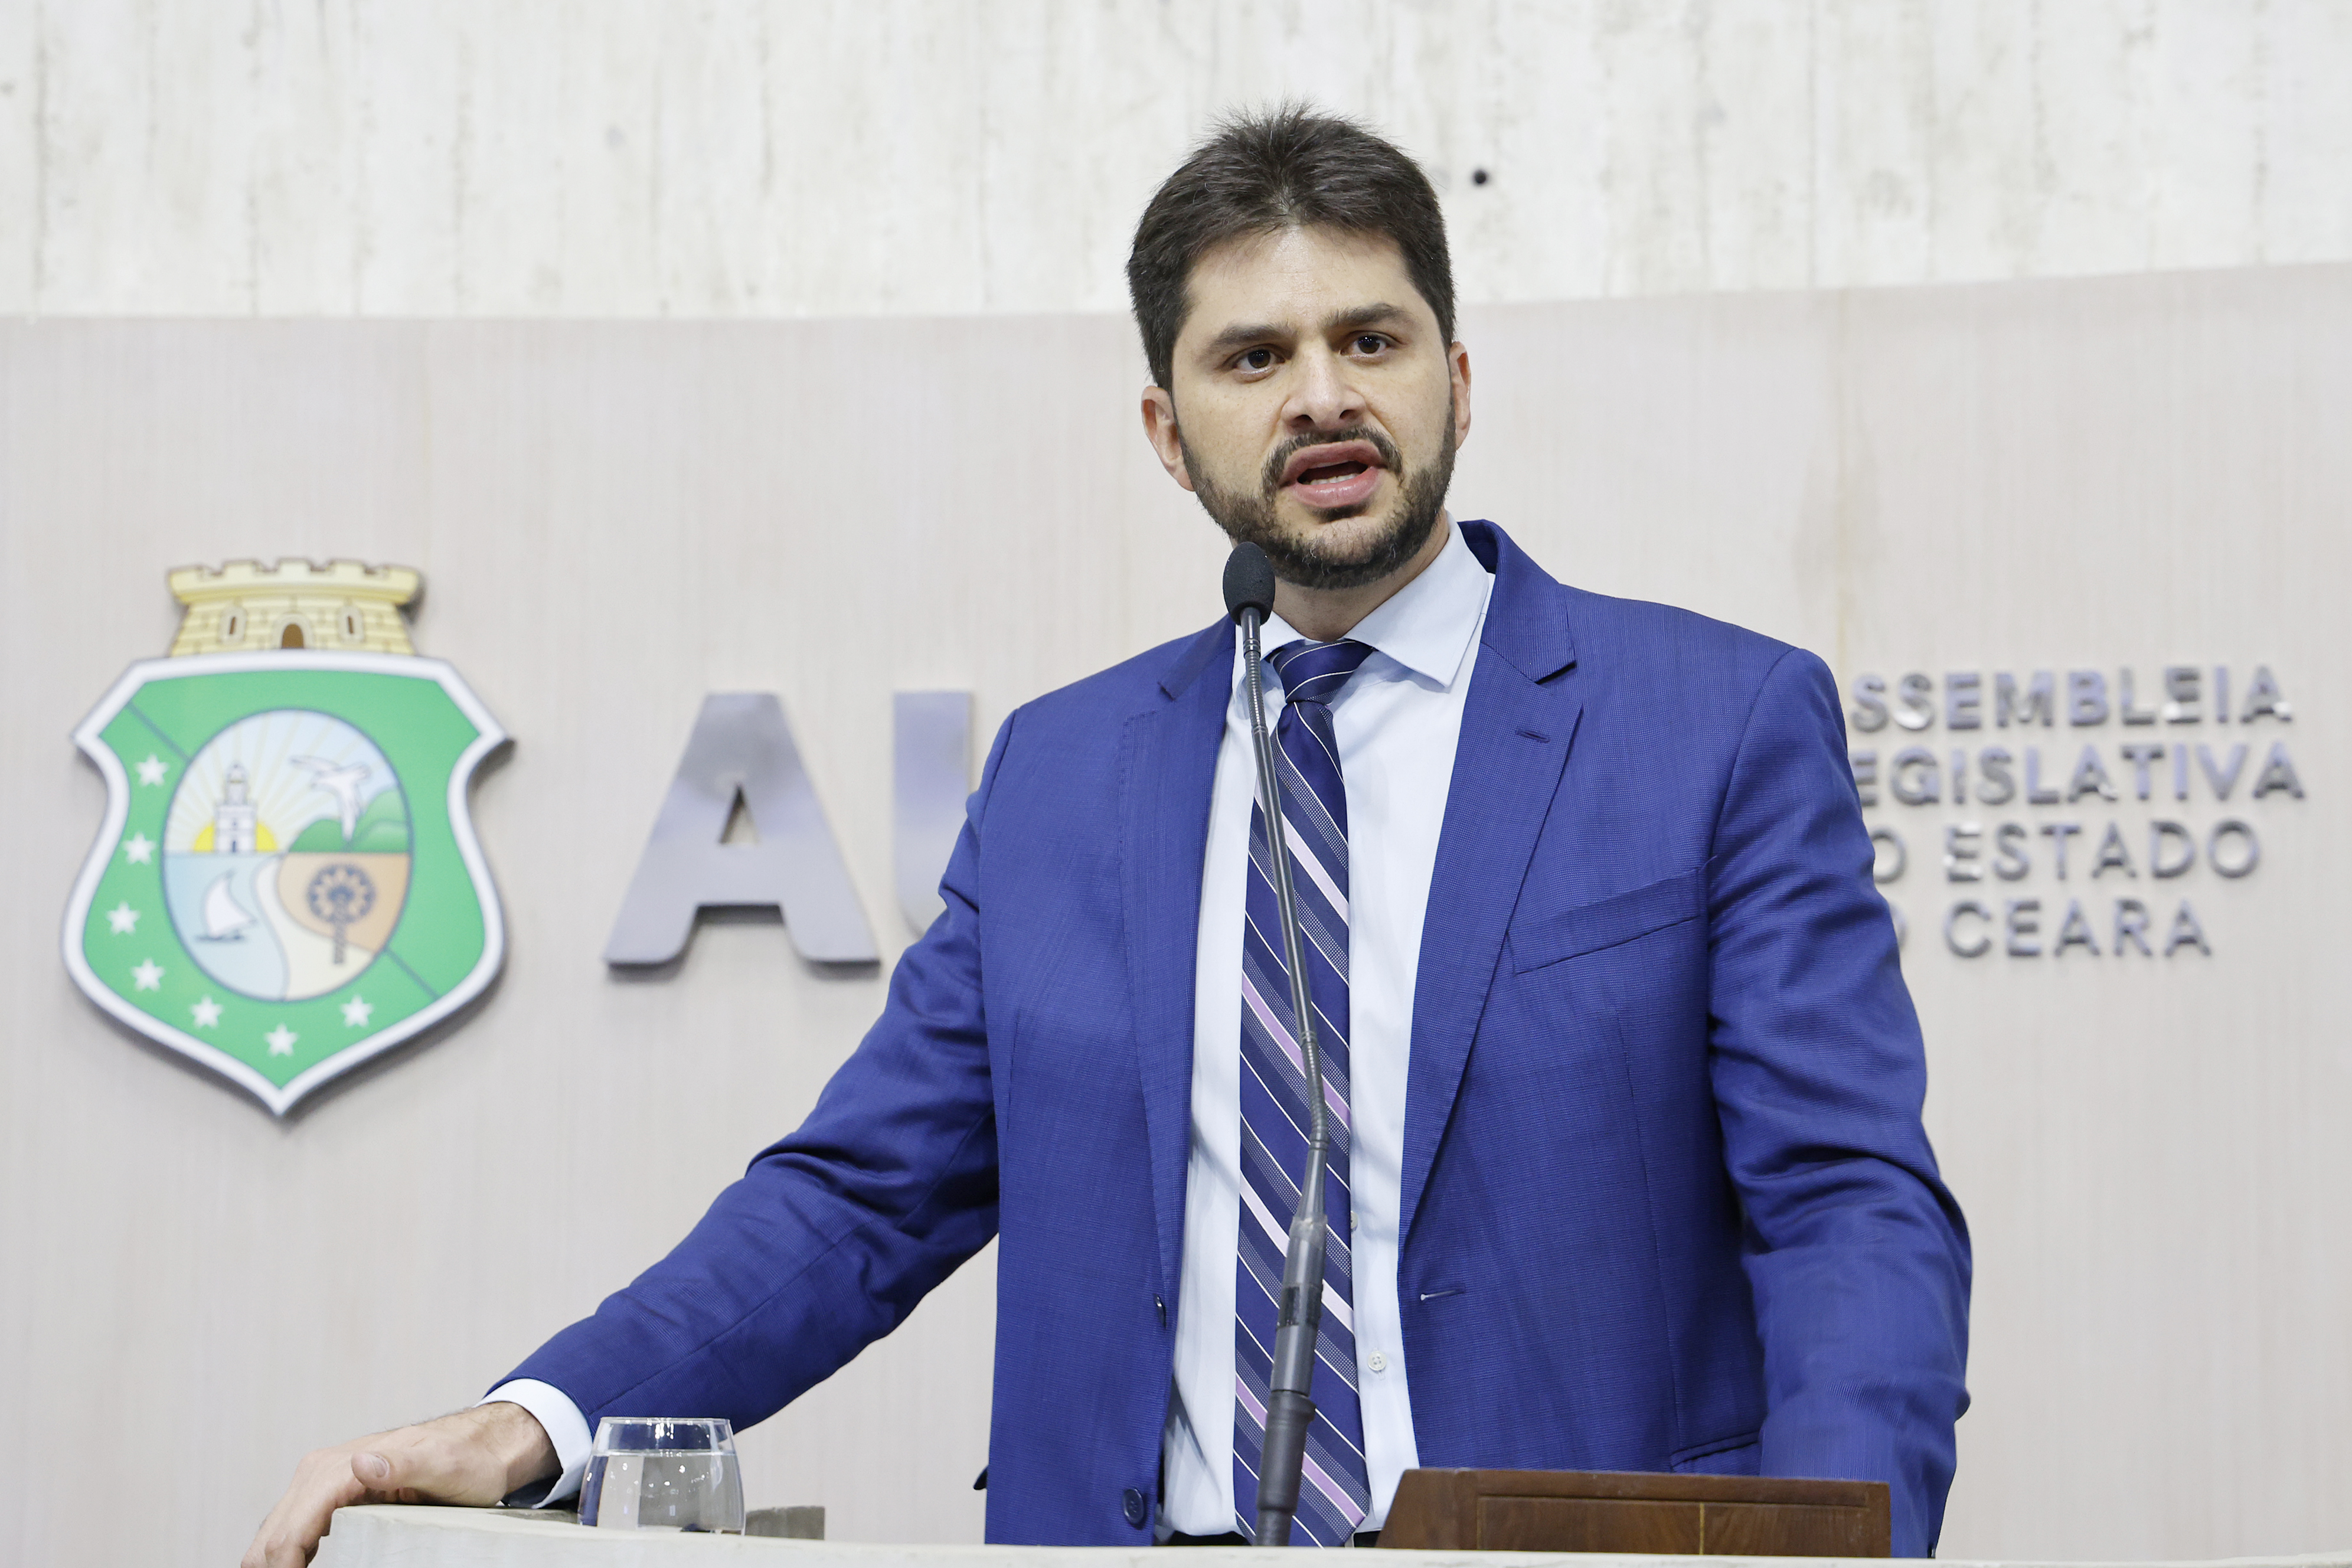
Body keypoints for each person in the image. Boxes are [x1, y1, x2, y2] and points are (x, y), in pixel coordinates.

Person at [244, 107, 1969, 1566]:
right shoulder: (1066, 774)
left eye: (1370, 341)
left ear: (1457, 378)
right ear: (1167, 430)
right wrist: (531, 1422)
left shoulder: (1711, 725)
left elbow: (1846, 1206)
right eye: (1253, 358)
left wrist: (1839, 1552)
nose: (1322, 396)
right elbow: (859, 1196)